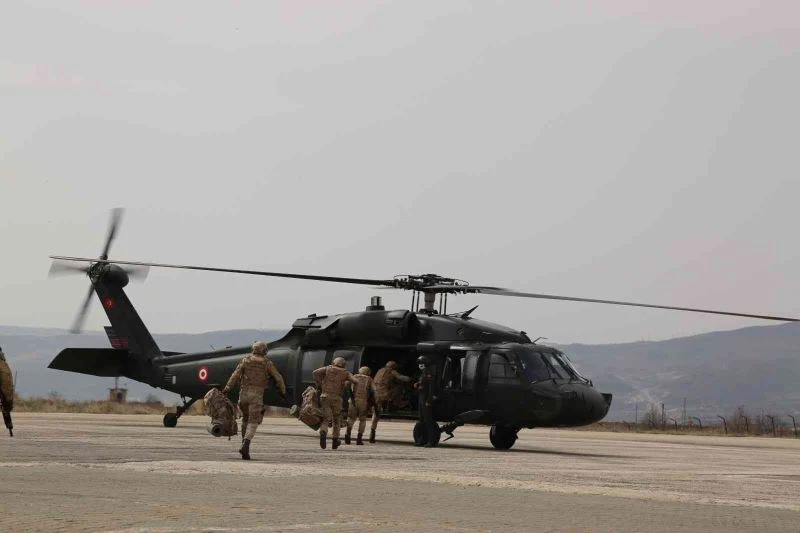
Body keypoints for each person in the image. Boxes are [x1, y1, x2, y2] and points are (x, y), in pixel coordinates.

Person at [223, 341, 286, 460]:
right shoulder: (267, 363)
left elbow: (235, 375)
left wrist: (227, 388)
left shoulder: (245, 360)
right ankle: (246, 444)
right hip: (256, 395)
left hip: (243, 395)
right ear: (264, 350)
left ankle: (243, 445)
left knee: (245, 420)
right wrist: (283, 392)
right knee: (253, 421)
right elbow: (278, 377)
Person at [312, 357, 358, 450]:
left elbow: (315, 372)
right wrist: (346, 382)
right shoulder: (345, 372)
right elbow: (355, 381)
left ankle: (323, 433)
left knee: (325, 419)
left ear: (334, 362)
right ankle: (335, 440)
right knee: (336, 420)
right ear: (344, 364)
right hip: (337, 399)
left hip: (325, 397)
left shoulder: (327, 368)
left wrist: (319, 384)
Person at [370, 360, 411, 443]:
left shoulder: (380, 370)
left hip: (375, 394)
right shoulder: (392, 371)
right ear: (393, 367)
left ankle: (372, 431)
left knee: (375, 414)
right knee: (398, 389)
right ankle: (395, 405)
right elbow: (402, 378)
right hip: (385, 395)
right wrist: (410, 378)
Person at [345, 366, 376, 445]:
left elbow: (347, 385)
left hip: (353, 401)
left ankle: (347, 435)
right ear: (368, 372)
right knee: (362, 420)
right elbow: (374, 390)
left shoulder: (354, 376)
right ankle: (359, 439)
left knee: (351, 418)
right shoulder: (369, 379)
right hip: (363, 402)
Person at [415, 355, 439, 448]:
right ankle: (422, 439)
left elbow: (431, 389)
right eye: (419, 363)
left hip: (426, 399)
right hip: (421, 398)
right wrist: (417, 384)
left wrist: (429, 400)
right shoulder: (423, 373)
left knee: (428, 421)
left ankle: (432, 441)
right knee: (421, 421)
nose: (420, 365)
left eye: (422, 363)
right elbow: (423, 385)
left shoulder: (429, 373)